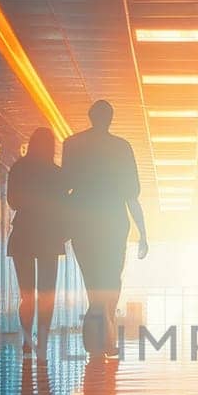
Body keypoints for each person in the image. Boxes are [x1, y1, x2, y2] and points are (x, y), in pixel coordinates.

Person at [61, 100, 148, 357]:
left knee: (93, 283)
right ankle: (105, 337)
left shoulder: (72, 144)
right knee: (111, 280)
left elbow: (65, 186)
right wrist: (142, 232)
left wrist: (62, 223)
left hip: (83, 222)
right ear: (110, 119)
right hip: (113, 221)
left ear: (90, 117)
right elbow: (132, 194)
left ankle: (99, 339)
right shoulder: (121, 147)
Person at [6, 127, 67, 355]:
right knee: (47, 293)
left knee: (27, 294)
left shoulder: (18, 168)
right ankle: (42, 339)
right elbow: (64, 207)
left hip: (23, 234)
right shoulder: (57, 173)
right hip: (50, 236)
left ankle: (26, 339)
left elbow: (12, 201)